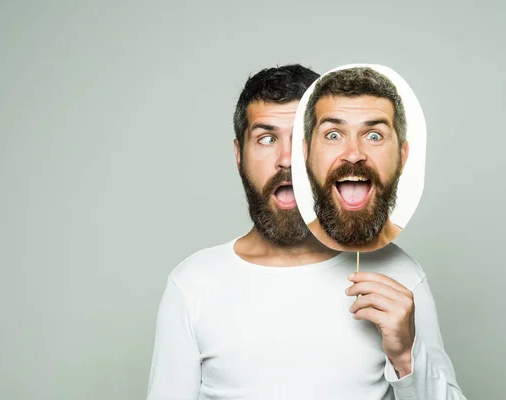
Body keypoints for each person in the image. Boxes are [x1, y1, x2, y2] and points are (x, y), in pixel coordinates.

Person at [146, 64, 466, 399]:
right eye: (266, 139)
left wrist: (406, 356)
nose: (286, 159)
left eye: (298, 139)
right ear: (239, 154)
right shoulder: (193, 284)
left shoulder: (399, 276)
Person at [303, 66, 408, 252]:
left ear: (402, 156)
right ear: (306, 153)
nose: (353, 155)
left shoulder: (412, 277)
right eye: (333, 136)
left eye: (374, 136)